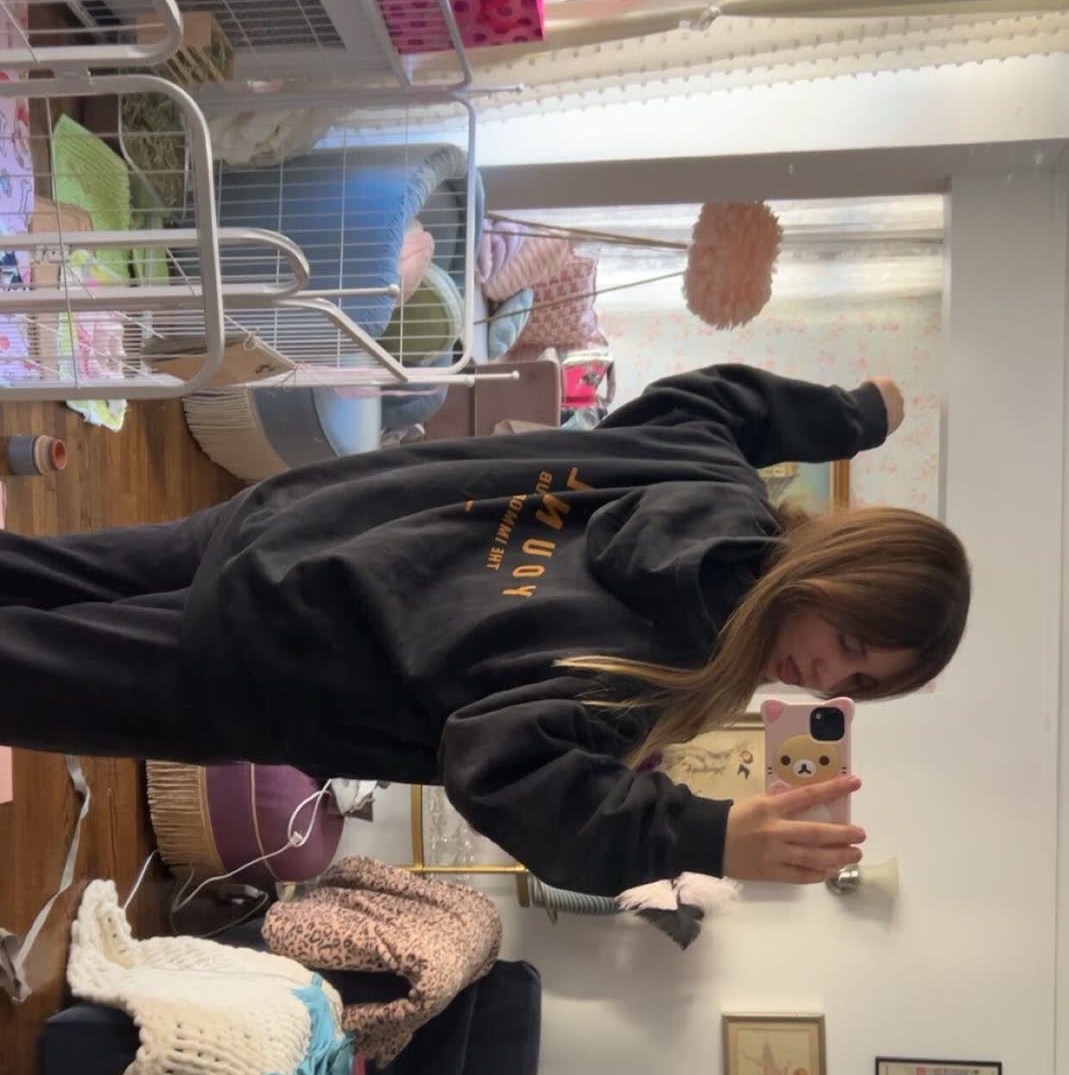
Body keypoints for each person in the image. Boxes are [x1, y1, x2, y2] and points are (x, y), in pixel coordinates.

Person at [0, 364, 969, 896]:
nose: (820, 677)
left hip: (301, 521)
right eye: (848, 644)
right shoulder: (670, 671)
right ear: (834, 578)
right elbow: (499, 763)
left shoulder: (706, 472)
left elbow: (719, 400)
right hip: (277, 658)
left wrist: (848, 414)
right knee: (23, 672)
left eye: (855, 683)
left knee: (36, 574)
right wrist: (704, 836)